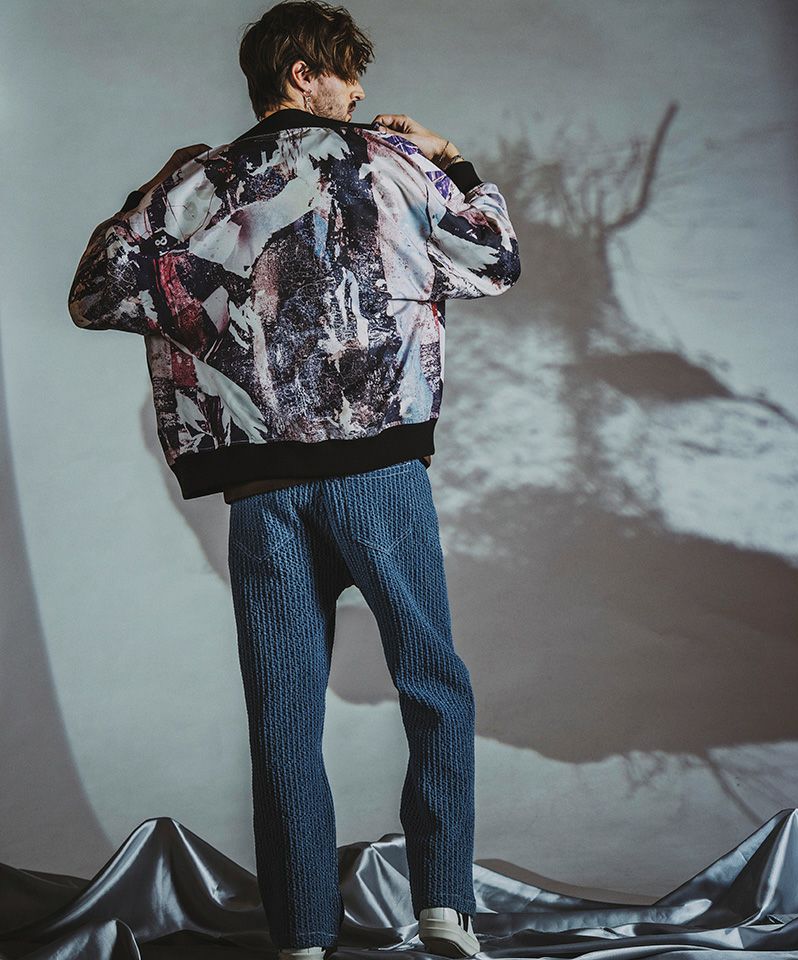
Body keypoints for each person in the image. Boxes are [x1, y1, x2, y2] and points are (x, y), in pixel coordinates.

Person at [67, 2, 521, 957]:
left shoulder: (203, 180)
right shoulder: (393, 162)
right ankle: (443, 904)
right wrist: (455, 159)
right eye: (346, 72)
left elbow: (99, 288)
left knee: (283, 715)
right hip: (377, 470)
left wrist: (166, 206)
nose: (359, 92)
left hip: (261, 484)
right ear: (303, 72)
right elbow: (495, 259)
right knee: (434, 685)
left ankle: (303, 935)